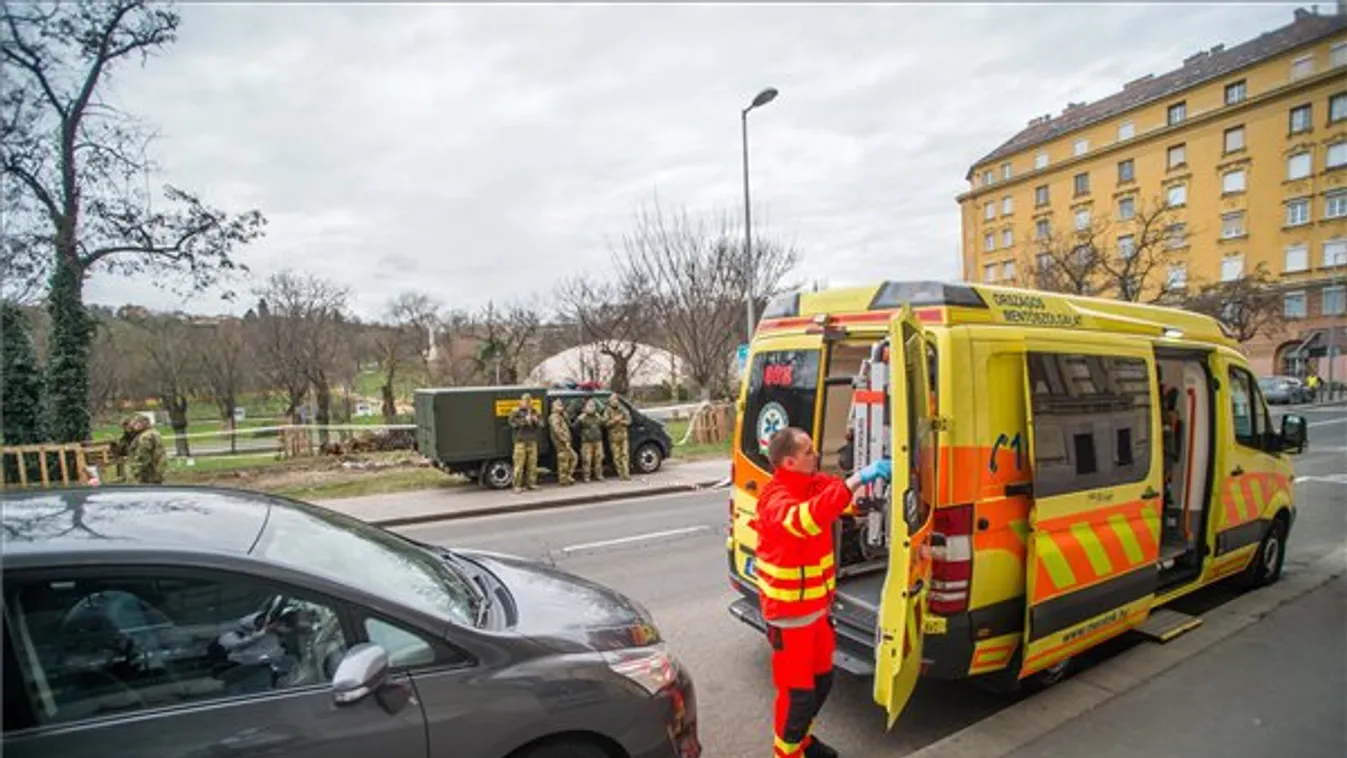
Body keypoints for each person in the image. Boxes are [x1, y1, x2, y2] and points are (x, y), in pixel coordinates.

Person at [753, 426, 891, 758]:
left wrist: (868, 477)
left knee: (822, 682)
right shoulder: (774, 500)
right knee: (797, 697)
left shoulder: (812, 483)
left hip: (817, 612)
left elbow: (837, 496)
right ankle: (787, 754)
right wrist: (858, 479)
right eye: (809, 451)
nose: (816, 455)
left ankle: (802, 741)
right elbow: (807, 519)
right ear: (789, 462)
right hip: (790, 618)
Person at [507, 393, 542, 493]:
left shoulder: (535, 411)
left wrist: (536, 420)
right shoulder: (516, 411)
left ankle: (531, 483)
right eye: (526, 401)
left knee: (533, 463)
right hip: (520, 441)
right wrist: (525, 421)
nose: (528, 403)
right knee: (519, 464)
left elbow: (541, 424)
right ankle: (517, 485)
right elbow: (512, 423)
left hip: (532, 440)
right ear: (521, 401)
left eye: (529, 401)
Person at [124, 414, 167, 484]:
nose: (133, 426)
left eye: (135, 423)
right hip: (157, 468)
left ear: (141, 424)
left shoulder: (145, 437)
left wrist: (136, 472)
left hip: (147, 473)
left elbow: (143, 457)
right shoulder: (154, 432)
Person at [603, 394, 632, 481]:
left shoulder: (623, 410)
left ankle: (626, 474)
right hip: (613, 438)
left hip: (623, 436)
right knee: (616, 457)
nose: (615, 402)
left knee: (625, 455)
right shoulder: (607, 411)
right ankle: (621, 474)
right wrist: (614, 421)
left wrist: (622, 421)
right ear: (610, 402)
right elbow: (605, 423)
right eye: (612, 400)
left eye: (616, 400)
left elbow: (629, 421)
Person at [549, 399, 578, 486]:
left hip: (564, 442)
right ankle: (563, 479)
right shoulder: (554, 417)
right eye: (559, 405)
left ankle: (567, 476)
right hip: (561, 443)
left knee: (573, 458)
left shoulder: (560, 416)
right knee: (564, 461)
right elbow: (557, 430)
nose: (561, 407)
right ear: (553, 407)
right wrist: (565, 440)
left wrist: (564, 414)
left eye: (561, 405)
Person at [576, 398, 606, 483]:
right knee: (587, 460)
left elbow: (603, 424)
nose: (592, 408)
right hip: (587, 442)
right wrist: (582, 435)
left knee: (599, 459)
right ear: (585, 407)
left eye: (593, 406)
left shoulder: (597, 416)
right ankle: (586, 477)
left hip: (598, 440)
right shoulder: (582, 417)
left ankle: (599, 475)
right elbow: (575, 428)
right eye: (589, 406)